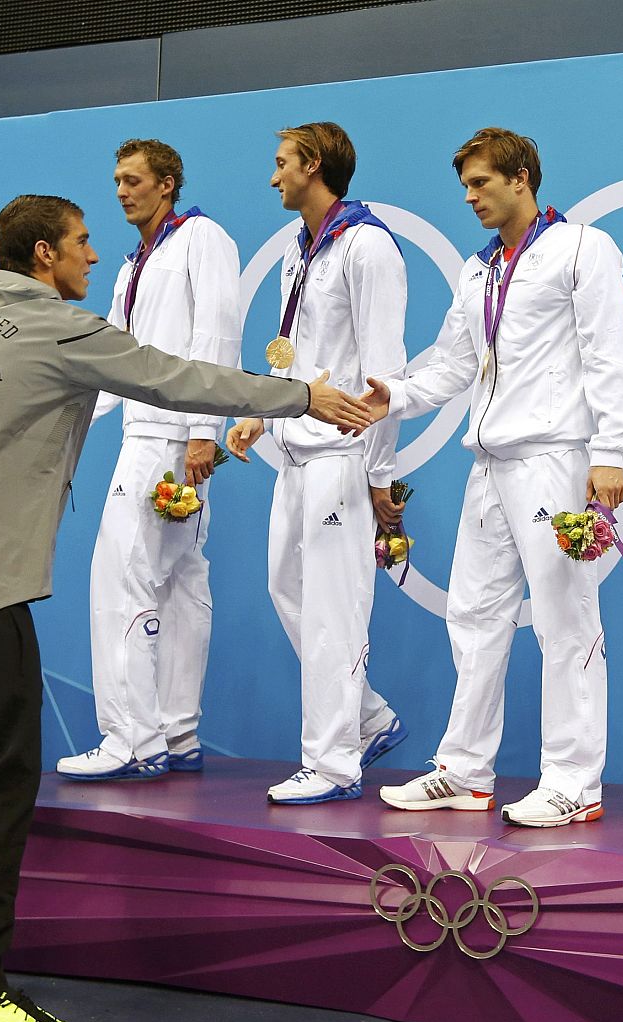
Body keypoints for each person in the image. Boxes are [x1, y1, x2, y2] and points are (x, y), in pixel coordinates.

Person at [0, 194, 374, 1022]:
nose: (93, 256)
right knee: (4, 778)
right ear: (43, 256)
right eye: (79, 243)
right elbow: (181, 377)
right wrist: (305, 395)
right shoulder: (61, 330)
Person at [370, 128, 623, 828]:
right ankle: (464, 770)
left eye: (481, 182)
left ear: (522, 178)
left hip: (556, 457)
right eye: (465, 185)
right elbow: (453, 365)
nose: (470, 197)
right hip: (489, 463)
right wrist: (389, 395)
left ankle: (575, 781)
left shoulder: (581, 248)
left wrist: (611, 451)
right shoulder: (477, 270)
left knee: (565, 622)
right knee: (474, 616)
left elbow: (610, 355)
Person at [226, 121, 410, 805]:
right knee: (288, 590)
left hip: (342, 452)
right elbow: (293, 353)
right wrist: (261, 411)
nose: (273, 177)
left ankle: (333, 763)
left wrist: (380, 472)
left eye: (281, 164)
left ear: (315, 165)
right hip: (296, 448)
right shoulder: (297, 251)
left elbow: (385, 365)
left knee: (335, 611)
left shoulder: (368, 247)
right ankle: (367, 716)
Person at [58, 139, 241, 780]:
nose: (121, 191)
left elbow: (217, 330)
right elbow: (112, 358)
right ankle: (177, 730)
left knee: (121, 581)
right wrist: (69, 421)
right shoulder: (135, 260)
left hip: (168, 438)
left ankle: (130, 740)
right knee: (181, 584)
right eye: (115, 181)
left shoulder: (202, 237)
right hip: (146, 429)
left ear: (167, 183)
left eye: (133, 180)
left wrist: (201, 429)